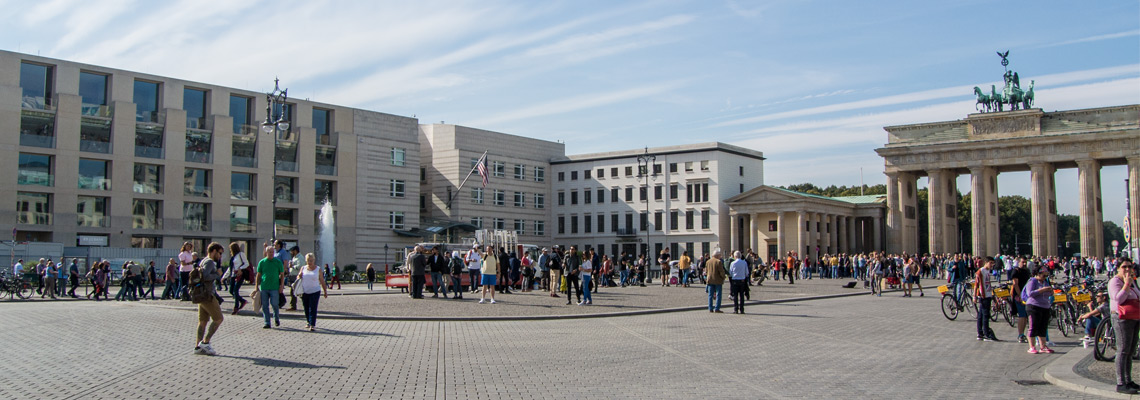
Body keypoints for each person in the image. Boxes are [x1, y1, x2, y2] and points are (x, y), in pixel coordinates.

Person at [1109, 261, 1140, 394]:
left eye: (1129, 266)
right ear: (1118, 269)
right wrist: (1126, 284)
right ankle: (1120, 382)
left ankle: (1128, 380)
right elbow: (1118, 299)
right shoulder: (1115, 282)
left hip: (1134, 317)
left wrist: (1131, 282)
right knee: (1122, 350)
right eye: (1124, 267)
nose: (1127, 269)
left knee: (1130, 350)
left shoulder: (1133, 280)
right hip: (1121, 318)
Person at [193, 242, 225, 356]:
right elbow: (205, 277)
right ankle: (205, 342)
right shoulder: (210, 262)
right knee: (218, 319)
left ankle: (198, 346)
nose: (220, 256)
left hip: (201, 295)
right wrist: (217, 274)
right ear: (214, 251)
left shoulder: (203, 260)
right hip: (207, 295)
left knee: (203, 321)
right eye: (220, 253)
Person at [1023, 267, 1054, 354]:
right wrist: (1042, 290)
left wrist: (1051, 291)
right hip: (1034, 306)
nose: (1045, 277)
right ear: (1038, 274)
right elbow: (1030, 293)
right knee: (1033, 326)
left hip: (1045, 306)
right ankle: (1031, 347)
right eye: (1043, 275)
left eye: (1046, 275)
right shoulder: (1032, 281)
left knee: (1043, 327)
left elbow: (1048, 293)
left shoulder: (1045, 282)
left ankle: (1043, 346)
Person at [254, 246, 284, 329]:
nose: (271, 254)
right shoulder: (262, 262)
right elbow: (258, 275)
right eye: (269, 252)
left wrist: (281, 286)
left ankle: (276, 318)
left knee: (275, 304)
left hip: (274, 287)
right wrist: (256, 286)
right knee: (265, 305)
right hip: (264, 287)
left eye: (272, 252)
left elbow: (282, 275)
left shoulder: (277, 262)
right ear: (266, 253)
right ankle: (267, 322)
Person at [297, 253, 328, 332]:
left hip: (315, 291)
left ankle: (312, 324)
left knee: (312, 308)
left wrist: (325, 291)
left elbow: (322, 280)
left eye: (311, 261)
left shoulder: (318, 269)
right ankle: (308, 321)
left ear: (314, 260)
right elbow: (298, 278)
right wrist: (299, 275)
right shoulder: (303, 268)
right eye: (308, 261)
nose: (309, 262)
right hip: (305, 291)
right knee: (306, 307)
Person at [974, 257, 998, 341]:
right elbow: (976, 284)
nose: (992, 265)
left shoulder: (987, 271)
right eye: (991, 263)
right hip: (983, 296)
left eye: (993, 263)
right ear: (986, 262)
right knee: (985, 316)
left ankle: (980, 333)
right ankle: (986, 334)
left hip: (988, 295)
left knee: (981, 315)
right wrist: (974, 296)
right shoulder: (980, 271)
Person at [1010, 259, 1032, 343]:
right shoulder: (1016, 271)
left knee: (1025, 316)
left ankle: (1022, 334)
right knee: (1022, 315)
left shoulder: (1026, 271)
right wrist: (1020, 295)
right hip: (1019, 297)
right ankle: (1020, 334)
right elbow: (1015, 284)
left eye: (1025, 262)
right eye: (1023, 262)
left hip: (1026, 296)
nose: (1025, 263)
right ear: (1018, 262)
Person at [228, 242, 250, 314]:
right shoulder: (232, 257)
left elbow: (246, 263)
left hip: (239, 275)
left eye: (231, 249)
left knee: (235, 290)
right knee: (231, 291)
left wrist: (240, 268)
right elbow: (230, 268)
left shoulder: (241, 254)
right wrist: (224, 277)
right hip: (233, 275)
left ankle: (236, 307)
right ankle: (242, 301)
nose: (230, 250)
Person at [287, 246, 302, 311]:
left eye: (292, 251)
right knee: (293, 292)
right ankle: (293, 305)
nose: (291, 252)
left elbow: (300, 266)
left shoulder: (300, 257)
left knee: (296, 292)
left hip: (296, 276)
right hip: (292, 276)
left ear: (295, 251)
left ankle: (293, 306)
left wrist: (292, 266)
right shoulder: (294, 258)